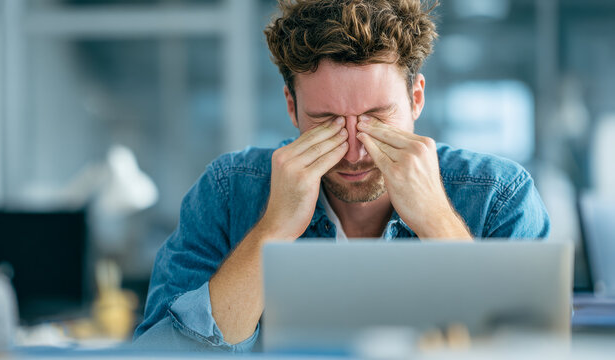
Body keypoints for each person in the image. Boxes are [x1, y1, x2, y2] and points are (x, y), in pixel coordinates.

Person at [133, 0, 550, 352]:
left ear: (416, 97)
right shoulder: (228, 189)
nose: (354, 150)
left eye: (376, 118)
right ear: (292, 108)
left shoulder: (500, 195)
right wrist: (274, 230)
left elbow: (538, 351)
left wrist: (437, 221)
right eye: (327, 122)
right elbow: (160, 355)